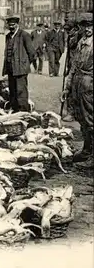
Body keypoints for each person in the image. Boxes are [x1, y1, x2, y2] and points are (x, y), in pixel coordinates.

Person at [62, 13, 93, 168]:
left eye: (90, 26)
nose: (87, 29)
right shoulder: (82, 41)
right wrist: (67, 88)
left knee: (90, 119)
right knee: (81, 117)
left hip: (89, 82)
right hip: (77, 82)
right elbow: (73, 66)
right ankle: (87, 150)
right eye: (84, 26)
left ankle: (92, 155)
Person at [2, 15, 35, 112]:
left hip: (21, 68)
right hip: (10, 68)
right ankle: (14, 109)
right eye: (9, 25)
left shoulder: (24, 35)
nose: (11, 27)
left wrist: (25, 64)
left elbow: (31, 52)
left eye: (13, 25)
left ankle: (23, 110)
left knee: (21, 90)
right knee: (12, 90)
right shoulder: (8, 36)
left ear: (17, 25)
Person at [62, 18, 81, 122]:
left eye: (69, 30)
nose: (67, 32)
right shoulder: (71, 36)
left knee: (76, 90)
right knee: (69, 89)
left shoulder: (78, 36)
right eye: (66, 30)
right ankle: (71, 112)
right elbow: (69, 55)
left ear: (75, 28)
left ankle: (75, 113)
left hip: (79, 67)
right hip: (72, 66)